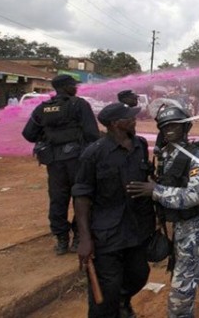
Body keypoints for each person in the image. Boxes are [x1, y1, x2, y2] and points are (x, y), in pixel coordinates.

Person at [126, 106, 199, 317]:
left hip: (198, 223)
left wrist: (156, 191)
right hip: (178, 223)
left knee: (181, 286)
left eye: (174, 125)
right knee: (190, 264)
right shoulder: (164, 154)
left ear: (185, 127)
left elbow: (195, 195)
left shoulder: (196, 156)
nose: (169, 129)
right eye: (165, 126)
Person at [72, 103, 155, 318]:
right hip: (106, 231)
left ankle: (121, 301)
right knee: (106, 289)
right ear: (115, 124)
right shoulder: (94, 154)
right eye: (130, 117)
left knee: (139, 273)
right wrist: (84, 239)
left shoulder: (140, 146)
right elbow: (81, 197)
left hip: (137, 228)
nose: (135, 119)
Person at [22, 75, 99, 255]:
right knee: (82, 197)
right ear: (65, 87)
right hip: (78, 160)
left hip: (54, 162)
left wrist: (48, 137)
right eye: (73, 85)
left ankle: (61, 239)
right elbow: (92, 134)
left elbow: (28, 134)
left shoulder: (43, 108)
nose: (76, 88)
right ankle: (79, 236)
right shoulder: (79, 105)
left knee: (57, 199)